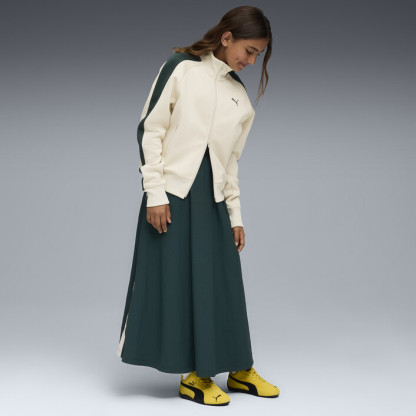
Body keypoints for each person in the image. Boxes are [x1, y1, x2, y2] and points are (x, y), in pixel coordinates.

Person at [116, 6, 280, 406]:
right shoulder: (181, 68)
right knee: (177, 284)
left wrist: (236, 216)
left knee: (224, 287)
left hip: (215, 202)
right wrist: (155, 193)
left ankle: (239, 368)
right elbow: (150, 130)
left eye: (258, 55)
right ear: (227, 37)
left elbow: (231, 162)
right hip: (172, 197)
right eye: (249, 50)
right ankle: (193, 376)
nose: (251, 61)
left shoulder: (239, 96)